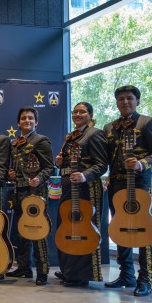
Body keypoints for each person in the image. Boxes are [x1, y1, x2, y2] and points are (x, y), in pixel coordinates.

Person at [103, 85, 152, 296]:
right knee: (120, 228)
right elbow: (108, 157)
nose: (125, 102)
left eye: (129, 98)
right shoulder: (109, 128)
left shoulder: (148, 123)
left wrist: (141, 163)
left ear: (137, 100)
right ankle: (126, 275)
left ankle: (146, 279)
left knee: (143, 229)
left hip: (140, 183)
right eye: (121, 99)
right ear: (117, 102)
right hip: (117, 185)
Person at [54, 102, 107, 287]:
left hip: (87, 188)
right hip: (68, 186)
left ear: (90, 115)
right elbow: (68, 161)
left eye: (82, 111)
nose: (77, 114)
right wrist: (60, 162)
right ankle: (70, 271)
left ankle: (83, 275)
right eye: (75, 111)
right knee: (67, 227)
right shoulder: (71, 136)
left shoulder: (95, 133)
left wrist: (84, 176)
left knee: (85, 228)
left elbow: (101, 165)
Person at [5, 107, 54, 286]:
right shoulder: (14, 143)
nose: (27, 121)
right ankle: (24, 267)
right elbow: (14, 168)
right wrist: (11, 174)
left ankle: (42, 271)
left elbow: (50, 167)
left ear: (36, 122)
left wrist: (39, 178)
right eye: (24, 118)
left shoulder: (41, 141)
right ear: (18, 123)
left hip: (36, 192)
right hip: (18, 192)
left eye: (31, 118)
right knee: (21, 230)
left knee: (39, 231)